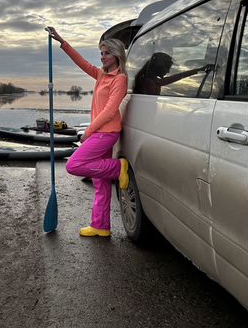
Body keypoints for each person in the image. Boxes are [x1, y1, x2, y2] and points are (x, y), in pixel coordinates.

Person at [47, 26, 129, 238]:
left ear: (117, 54)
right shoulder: (101, 74)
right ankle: (100, 226)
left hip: (106, 133)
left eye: (107, 53)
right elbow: (82, 62)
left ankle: (118, 167)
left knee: (75, 165)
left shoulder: (120, 79)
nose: (102, 57)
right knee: (101, 184)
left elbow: (111, 111)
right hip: (100, 132)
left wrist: (88, 131)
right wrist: (62, 42)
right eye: (101, 53)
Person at [133, 52, 214, 95]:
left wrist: (199, 69)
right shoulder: (150, 83)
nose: (168, 71)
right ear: (159, 66)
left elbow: (177, 77)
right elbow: (176, 77)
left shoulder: (152, 80)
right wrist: (199, 69)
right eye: (167, 68)